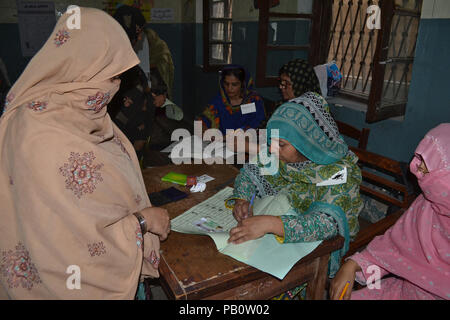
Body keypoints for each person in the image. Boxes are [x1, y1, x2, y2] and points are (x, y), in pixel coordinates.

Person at [0, 7, 170, 299]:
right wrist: (140, 223)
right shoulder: (38, 134)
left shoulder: (74, 110)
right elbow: (67, 245)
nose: (116, 88)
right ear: (84, 68)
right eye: (112, 77)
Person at [228, 92, 363, 299]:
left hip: (319, 242)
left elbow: (327, 225)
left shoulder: (340, 173)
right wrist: (243, 198)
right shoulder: (282, 156)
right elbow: (250, 172)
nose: (273, 150)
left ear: (307, 143)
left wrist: (272, 224)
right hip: (284, 220)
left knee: (259, 286)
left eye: (281, 144)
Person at [330, 123, 450, 300]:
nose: (417, 170)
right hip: (404, 291)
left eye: (427, 169)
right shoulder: (425, 205)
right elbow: (392, 250)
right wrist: (354, 265)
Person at [197, 65, 265, 135]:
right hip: (221, 143)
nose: (229, 88)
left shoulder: (254, 100)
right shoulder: (219, 101)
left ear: (243, 84)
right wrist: (203, 129)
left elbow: (258, 124)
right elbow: (204, 120)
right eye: (226, 84)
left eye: (234, 84)